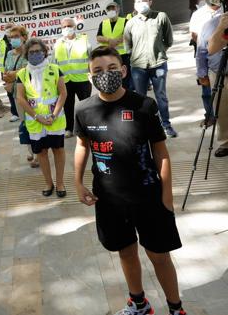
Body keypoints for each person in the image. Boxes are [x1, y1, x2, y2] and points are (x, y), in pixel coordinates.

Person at [74, 46, 186, 315]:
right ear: (90, 76)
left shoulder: (144, 105)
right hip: (110, 199)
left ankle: (175, 308)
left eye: (112, 68)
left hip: (148, 196)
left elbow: (161, 152)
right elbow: (81, 146)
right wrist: (77, 182)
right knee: (126, 252)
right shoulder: (84, 110)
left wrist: (166, 195)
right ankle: (139, 303)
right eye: (98, 71)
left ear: (123, 70)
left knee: (159, 255)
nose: (106, 74)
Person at [16, 38, 67, 197]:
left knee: (58, 150)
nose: (35, 55)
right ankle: (48, 183)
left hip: (54, 120)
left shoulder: (55, 69)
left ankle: (60, 183)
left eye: (38, 51)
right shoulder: (22, 74)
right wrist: (37, 117)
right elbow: (20, 98)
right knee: (42, 153)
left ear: (45, 52)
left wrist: (53, 115)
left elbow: (63, 93)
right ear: (26, 55)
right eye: (31, 52)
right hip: (36, 122)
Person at [124, 0, 177, 138]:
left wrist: (159, 51)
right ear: (134, 4)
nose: (141, 4)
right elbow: (127, 46)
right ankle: (143, 127)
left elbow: (169, 40)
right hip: (138, 67)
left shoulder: (161, 17)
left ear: (150, 2)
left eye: (144, 1)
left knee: (161, 96)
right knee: (140, 98)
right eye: (138, 1)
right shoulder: (130, 23)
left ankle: (166, 125)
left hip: (158, 64)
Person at [53, 17, 92, 138]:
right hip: (65, 81)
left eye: (69, 26)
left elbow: (91, 59)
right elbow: (55, 63)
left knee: (85, 106)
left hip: (83, 79)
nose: (67, 28)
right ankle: (69, 128)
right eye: (64, 27)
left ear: (74, 27)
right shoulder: (58, 43)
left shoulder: (84, 39)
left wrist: (93, 75)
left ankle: (87, 128)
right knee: (68, 106)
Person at [190, 0, 221, 127]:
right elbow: (196, 37)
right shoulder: (198, 15)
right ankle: (210, 116)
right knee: (207, 92)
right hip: (207, 60)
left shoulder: (224, 12)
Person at [198, 11, 228, 157]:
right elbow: (204, 50)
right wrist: (202, 73)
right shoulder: (211, 24)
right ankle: (225, 142)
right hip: (219, 72)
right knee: (222, 111)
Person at [97, 1, 132, 90]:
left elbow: (128, 34)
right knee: (111, 79)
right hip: (109, 56)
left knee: (125, 80)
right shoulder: (103, 23)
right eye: (109, 9)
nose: (111, 11)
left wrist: (116, 41)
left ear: (118, 10)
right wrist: (109, 40)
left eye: (113, 8)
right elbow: (98, 37)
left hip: (123, 56)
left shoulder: (125, 21)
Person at [3, 25, 28, 122]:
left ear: (24, 37)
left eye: (16, 36)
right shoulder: (9, 54)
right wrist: (12, 75)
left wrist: (14, 74)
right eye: (11, 37)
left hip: (30, 93)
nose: (13, 39)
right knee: (23, 121)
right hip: (16, 94)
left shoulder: (30, 51)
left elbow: (28, 71)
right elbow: (5, 74)